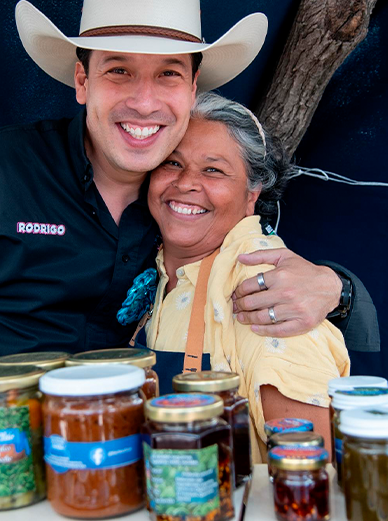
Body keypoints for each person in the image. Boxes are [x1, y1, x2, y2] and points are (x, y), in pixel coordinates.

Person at [0, 0, 371, 443]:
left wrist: (337, 288)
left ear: (192, 88)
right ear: (83, 81)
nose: (144, 101)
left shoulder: (178, 208)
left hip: (120, 460)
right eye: (118, 70)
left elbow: (254, 267)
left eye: (168, 72)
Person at [142, 93, 350, 458]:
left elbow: (310, 473)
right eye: (172, 163)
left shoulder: (264, 288)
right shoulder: (156, 266)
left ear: (252, 192)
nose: (186, 183)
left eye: (213, 169)